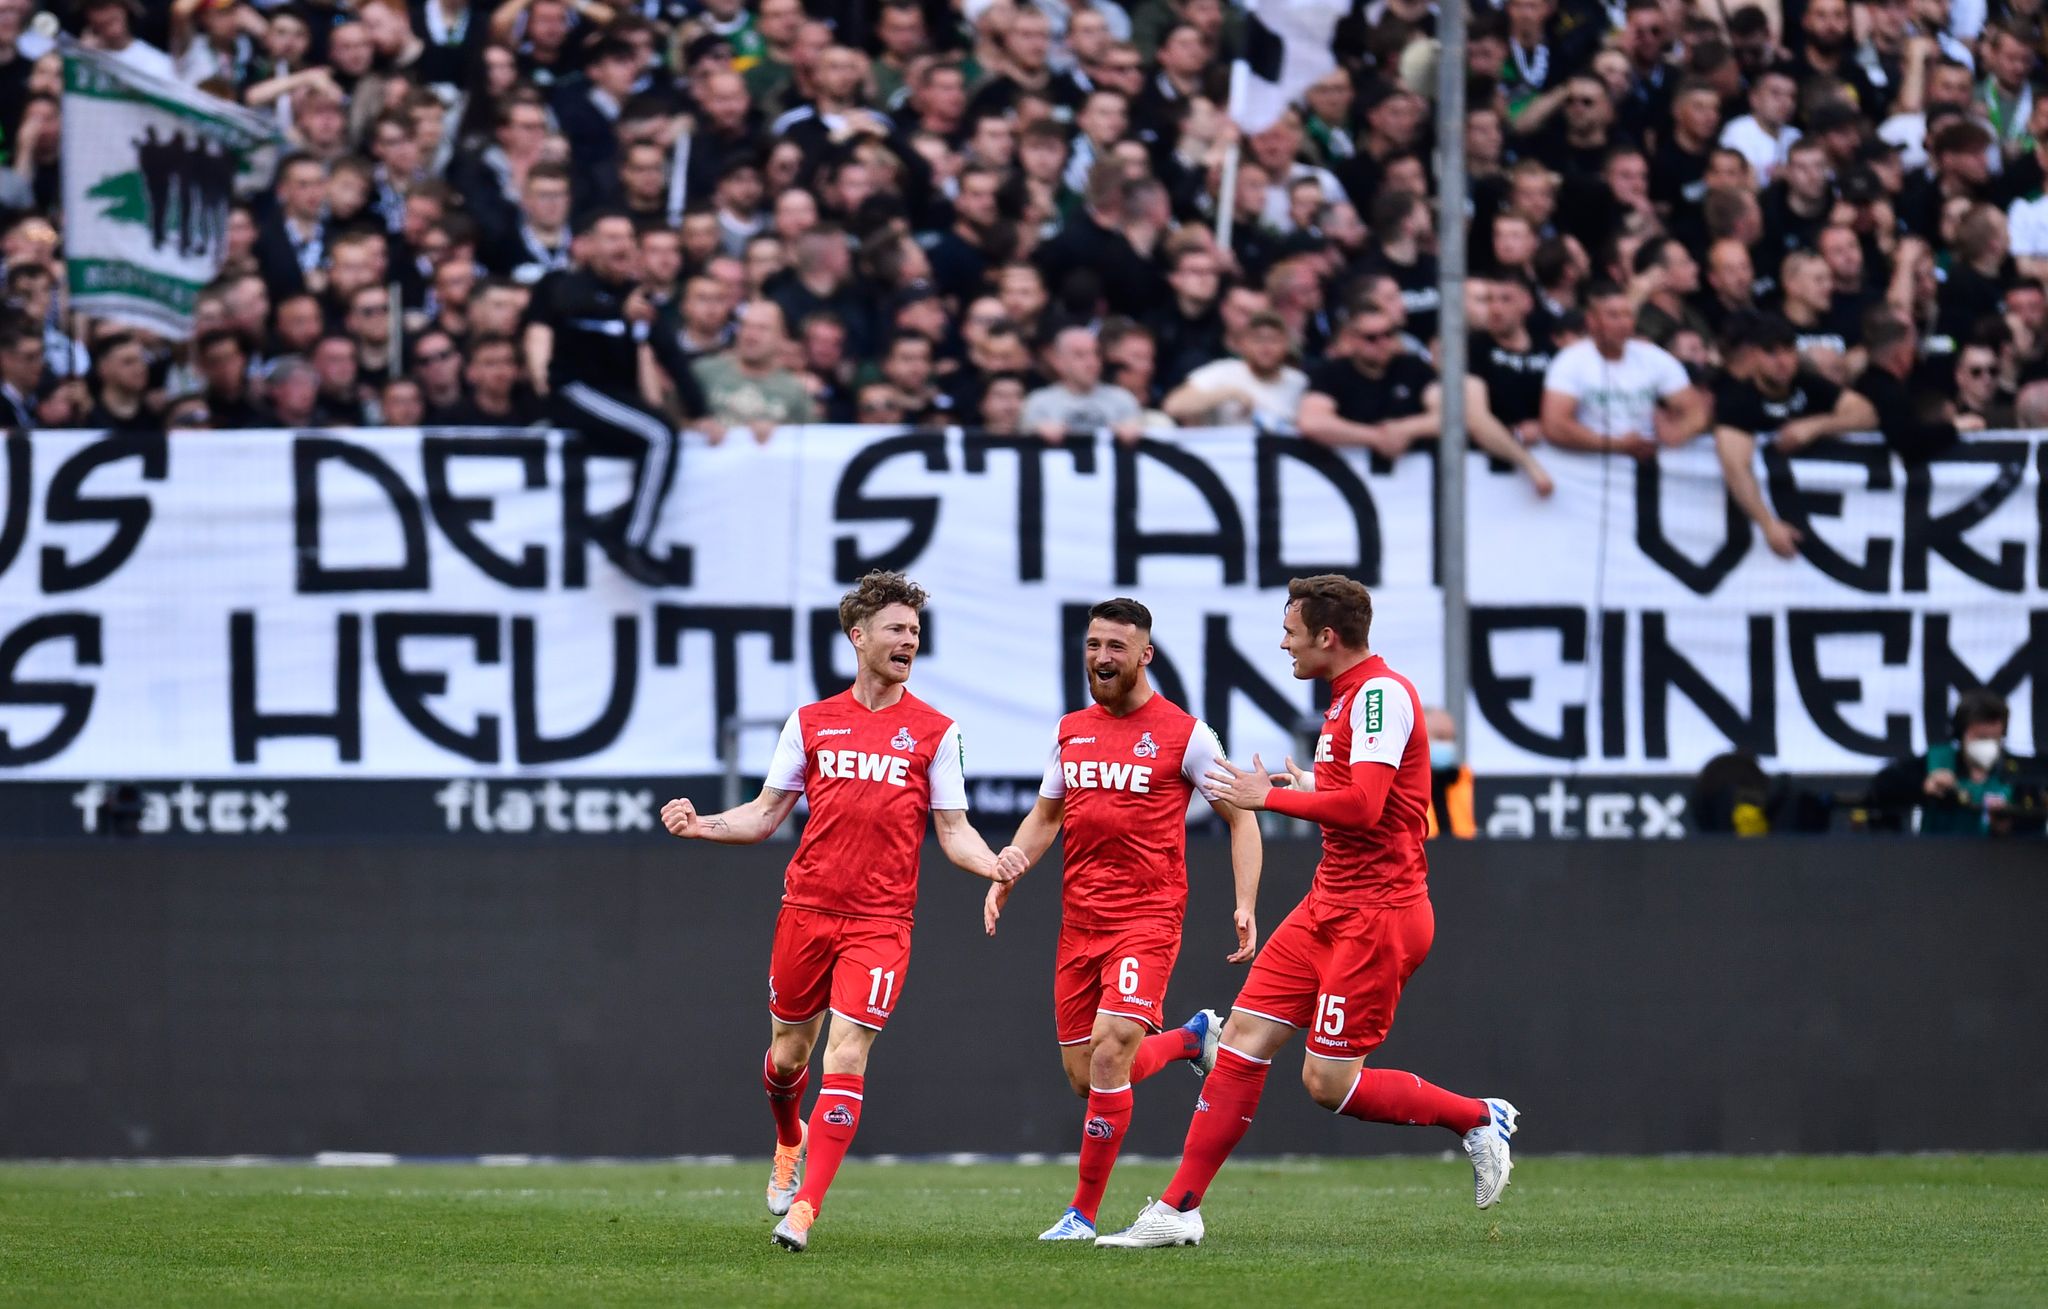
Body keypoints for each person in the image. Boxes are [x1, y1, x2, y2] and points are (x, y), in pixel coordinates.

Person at [1095, 575, 1516, 1249]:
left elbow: (1367, 808)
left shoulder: (1379, 694)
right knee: (1239, 1042)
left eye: (1291, 629)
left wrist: (1273, 797)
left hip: (1379, 917)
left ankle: (1476, 1116)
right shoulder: (1345, 698)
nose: (1283, 640)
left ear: (1326, 636)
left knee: (1327, 1084)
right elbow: (1360, 794)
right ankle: (1178, 1208)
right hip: (1326, 904)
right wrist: (1309, 784)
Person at [657, 571, 1015, 1254]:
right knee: (789, 1054)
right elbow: (764, 816)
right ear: (859, 636)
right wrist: (701, 824)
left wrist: (993, 862)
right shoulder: (812, 721)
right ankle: (788, 1135)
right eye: (896, 629)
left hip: (881, 923)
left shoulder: (936, 731)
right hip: (806, 911)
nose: (909, 640)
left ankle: (804, 1212)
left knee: (846, 1054)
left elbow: (953, 829)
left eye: (914, 630)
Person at [982, 597, 1263, 1242]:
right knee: (1088, 1078)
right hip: (1079, 923)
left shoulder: (1185, 734)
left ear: (1146, 655)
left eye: (1116, 647)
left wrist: (1245, 902)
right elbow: (1047, 815)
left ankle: (1081, 1214)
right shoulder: (1071, 729)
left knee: (1111, 1048)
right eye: (1093, 645)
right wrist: (1010, 870)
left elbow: (1242, 816)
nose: (1102, 658)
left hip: (1148, 918)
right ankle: (1192, 1039)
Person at [524, 208, 701, 584]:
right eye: (611, 238)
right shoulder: (565, 283)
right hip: (574, 392)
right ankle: (629, 541)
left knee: (660, 436)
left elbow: (672, 356)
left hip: (617, 396)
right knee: (659, 435)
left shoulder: (639, 298)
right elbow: (568, 304)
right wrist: (619, 312)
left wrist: (701, 411)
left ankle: (614, 524)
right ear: (588, 246)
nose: (622, 246)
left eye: (627, 239)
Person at [1712, 315, 1879, 559]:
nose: (1782, 362)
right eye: (1771, 353)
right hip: (1766, 516)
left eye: (1788, 351)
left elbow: (1867, 413)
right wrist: (1767, 523)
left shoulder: (1806, 383)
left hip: (1824, 507)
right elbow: (1735, 467)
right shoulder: (1738, 399)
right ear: (1754, 356)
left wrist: (1815, 426)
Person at [1540, 281, 1709, 459]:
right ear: (1592, 321)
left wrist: (1678, 433)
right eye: (1613, 316)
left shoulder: (1653, 356)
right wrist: (1617, 445)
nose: (1623, 323)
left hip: (1646, 463)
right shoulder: (1570, 360)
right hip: (1589, 467)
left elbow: (1696, 410)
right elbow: (1555, 425)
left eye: (1628, 315)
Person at [1919, 690, 2044, 836]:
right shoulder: (1936, 762)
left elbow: (2034, 834)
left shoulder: (2019, 774)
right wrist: (1923, 787)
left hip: (1996, 857)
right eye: (1980, 737)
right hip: (1937, 854)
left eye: (1994, 738)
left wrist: (2005, 827)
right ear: (1961, 734)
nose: (1987, 745)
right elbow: (1890, 789)